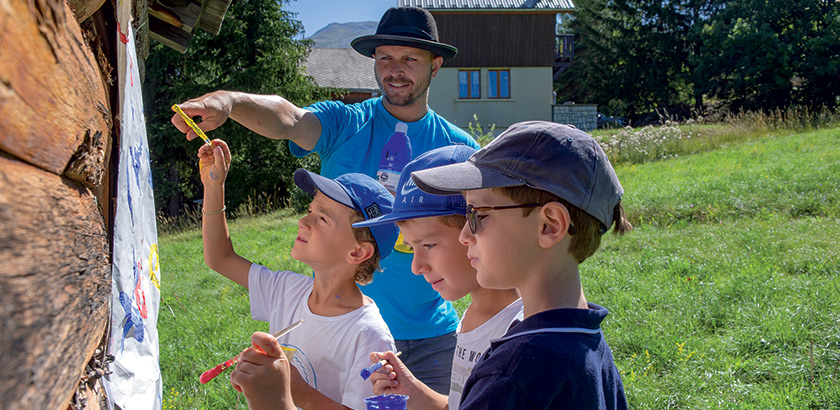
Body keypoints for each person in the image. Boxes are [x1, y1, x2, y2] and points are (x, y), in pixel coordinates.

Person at [173, 6, 478, 393]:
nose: (394, 69)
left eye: (409, 59)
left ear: (435, 66)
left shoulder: (459, 149)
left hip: (430, 338)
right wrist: (228, 102)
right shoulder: (346, 122)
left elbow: (480, 232)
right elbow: (289, 118)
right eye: (384, 57)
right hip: (341, 329)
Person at [410, 121, 632, 409]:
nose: (465, 235)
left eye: (478, 214)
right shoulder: (588, 344)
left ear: (549, 225)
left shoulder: (511, 376)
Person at [197, 140, 398, 409]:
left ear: (358, 252)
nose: (303, 222)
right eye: (311, 210)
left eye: (323, 218)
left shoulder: (370, 335)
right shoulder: (287, 290)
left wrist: (296, 391)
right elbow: (220, 258)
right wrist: (214, 186)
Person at [353, 145, 523, 410]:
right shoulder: (473, 317)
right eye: (411, 247)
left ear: (474, 229)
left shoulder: (516, 334)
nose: (416, 267)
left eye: (428, 245)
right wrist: (413, 390)